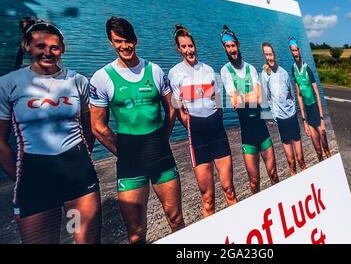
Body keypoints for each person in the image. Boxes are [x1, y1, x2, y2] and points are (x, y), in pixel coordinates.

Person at [0, 19, 101, 244]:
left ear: (62, 49)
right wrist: (20, 177)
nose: (48, 52)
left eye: (54, 47)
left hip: (77, 177)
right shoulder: (9, 84)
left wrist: (82, 159)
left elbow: (89, 128)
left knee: (84, 240)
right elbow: (1, 143)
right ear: (27, 46)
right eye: (40, 46)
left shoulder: (78, 81)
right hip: (35, 180)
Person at [89, 17, 184, 244]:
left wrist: (163, 137)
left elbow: (171, 108)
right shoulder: (102, 78)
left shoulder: (155, 70)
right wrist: (123, 150)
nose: (125, 46)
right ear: (111, 42)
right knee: (136, 232)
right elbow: (98, 127)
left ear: (136, 40)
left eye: (128, 40)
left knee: (176, 219)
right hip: (130, 161)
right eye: (119, 41)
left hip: (161, 155)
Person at [168, 24, 237, 218]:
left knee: (229, 189)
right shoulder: (175, 74)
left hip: (217, 132)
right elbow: (178, 108)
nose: (188, 50)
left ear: (195, 46)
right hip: (197, 136)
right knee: (208, 198)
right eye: (184, 47)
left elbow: (218, 104)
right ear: (178, 49)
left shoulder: (208, 70)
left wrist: (215, 121)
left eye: (191, 45)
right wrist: (192, 126)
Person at [220, 25, 279, 195]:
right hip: (247, 136)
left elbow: (260, 98)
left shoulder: (251, 69)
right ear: (225, 48)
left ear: (238, 45)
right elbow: (235, 102)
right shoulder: (225, 71)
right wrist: (249, 96)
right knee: (254, 182)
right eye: (228, 47)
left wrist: (243, 97)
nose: (232, 50)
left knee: (273, 174)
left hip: (262, 130)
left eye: (233, 45)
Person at [261, 42, 306, 175]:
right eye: (266, 55)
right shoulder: (264, 75)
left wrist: (292, 109)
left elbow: (292, 95)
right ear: (265, 56)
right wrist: (274, 115)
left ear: (274, 54)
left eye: (271, 54)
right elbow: (267, 98)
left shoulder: (284, 73)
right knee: (291, 162)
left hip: (292, 116)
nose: (269, 57)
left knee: (301, 159)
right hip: (280, 119)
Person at [289, 37, 331, 161]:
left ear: (299, 50)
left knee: (326, 149)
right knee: (318, 151)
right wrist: (304, 121)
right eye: (292, 51)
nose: (294, 53)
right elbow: (299, 96)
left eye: (296, 50)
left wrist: (322, 118)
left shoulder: (307, 69)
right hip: (308, 115)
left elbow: (317, 94)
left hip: (317, 113)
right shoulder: (293, 69)